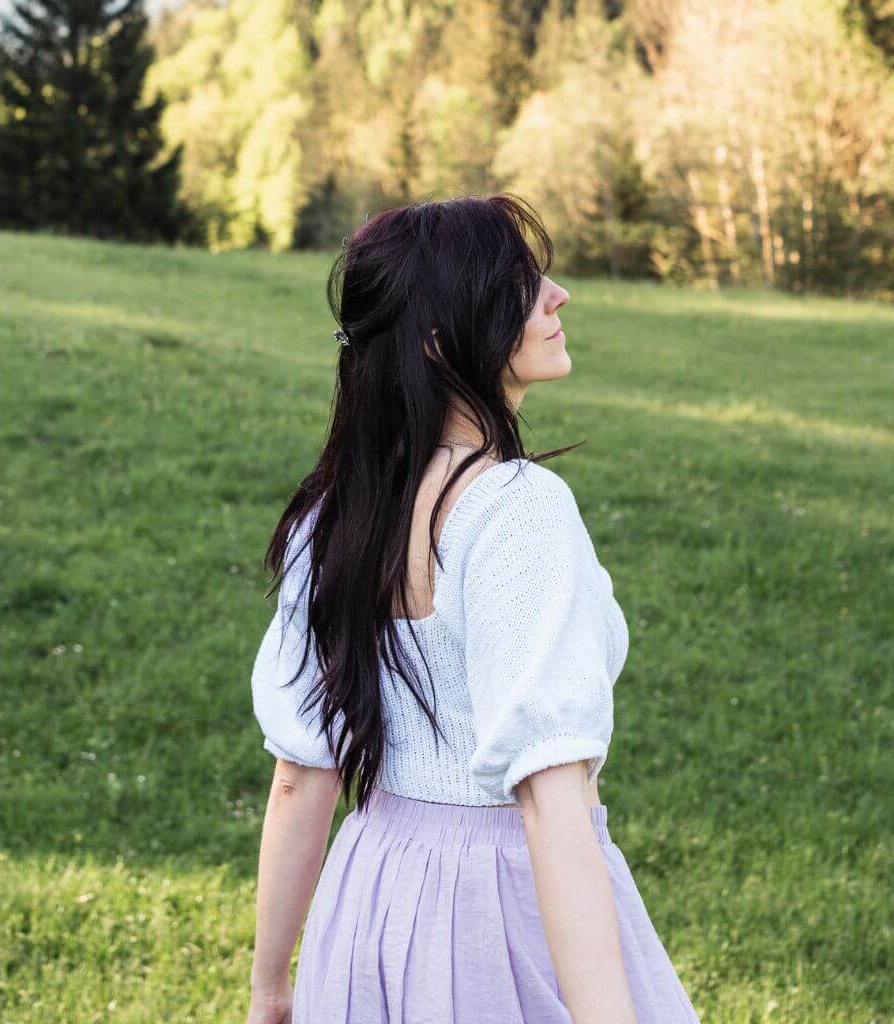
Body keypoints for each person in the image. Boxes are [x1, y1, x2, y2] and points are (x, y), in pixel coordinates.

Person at [245, 194, 702, 1024]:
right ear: (439, 340)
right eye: (522, 286)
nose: (558, 296)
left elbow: (298, 777)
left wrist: (271, 986)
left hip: (369, 898)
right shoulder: (515, 510)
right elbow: (550, 798)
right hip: (502, 912)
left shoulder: (335, 513)